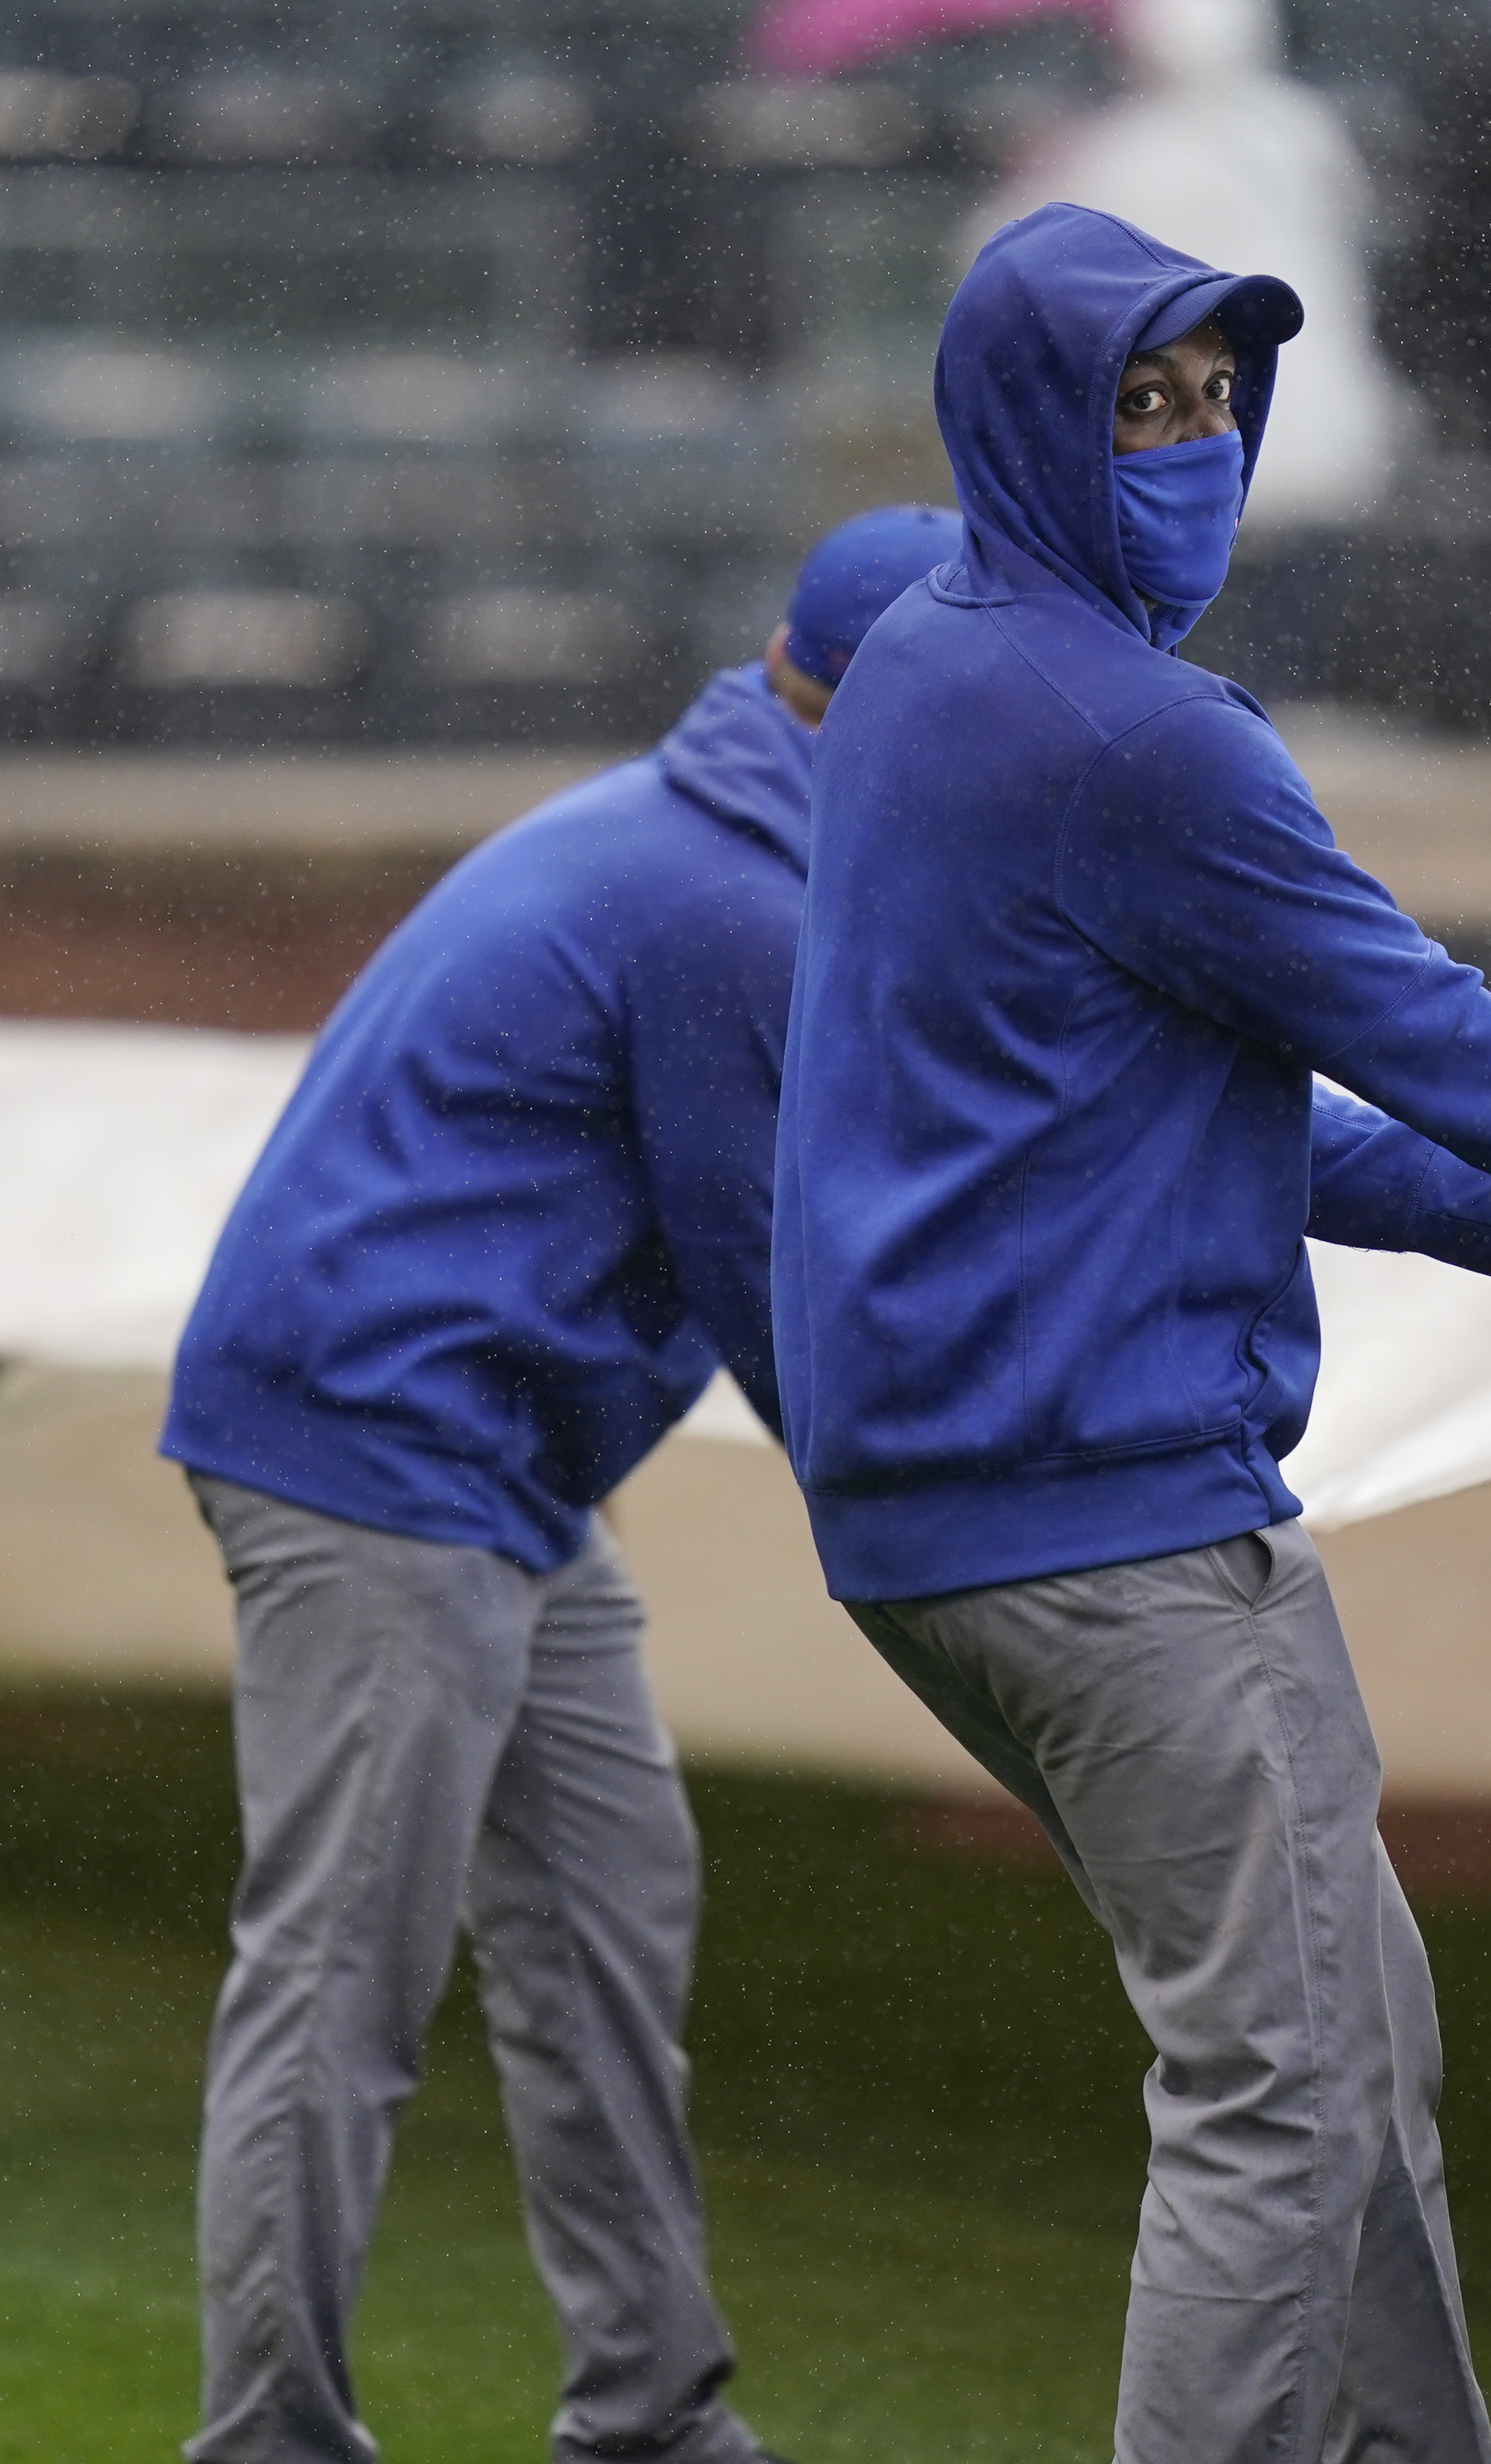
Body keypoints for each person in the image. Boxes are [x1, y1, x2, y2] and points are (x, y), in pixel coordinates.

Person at [772, 204, 1491, 2464]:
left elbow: (1182, 1104)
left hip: (934, 1518)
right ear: (1031, 420)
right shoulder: (1146, 738)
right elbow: (1419, 1015)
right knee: (1272, 2092)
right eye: (1143, 402)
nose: (1194, 446)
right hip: (1114, 1519)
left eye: (1218, 400)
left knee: (1347, 2036)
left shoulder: (928, 663)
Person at [158, 504, 962, 2464]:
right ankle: (265, 2441)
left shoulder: (706, 827)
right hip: (373, 1453)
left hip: (496, 1465)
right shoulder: (729, 904)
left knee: (604, 1924)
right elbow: (766, 1263)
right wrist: (951, 1526)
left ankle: (650, 2416)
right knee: (342, 1973)